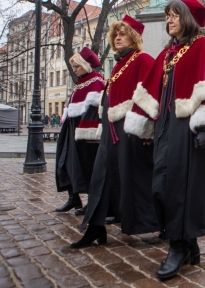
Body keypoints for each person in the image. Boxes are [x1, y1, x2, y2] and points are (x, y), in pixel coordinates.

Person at [124, 0, 205, 280]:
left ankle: (177, 246)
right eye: (167, 15)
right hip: (165, 129)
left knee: (184, 189)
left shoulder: (204, 46)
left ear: (186, 18)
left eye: (173, 15)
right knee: (161, 185)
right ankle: (189, 245)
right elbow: (150, 91)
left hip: (192, 131)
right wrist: (146, 125)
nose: (168, 20)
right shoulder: (167, 53)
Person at [72, 15, 158, 248]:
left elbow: (152, 97)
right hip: (111, 131)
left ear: (134, 37)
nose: (118, 38)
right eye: (116, 34)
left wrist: (146, 132)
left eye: (123, 34)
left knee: (135, 179)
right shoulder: (119, 63)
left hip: (131, 131)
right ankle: (95, 226)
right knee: (101, 177)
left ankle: (152, 223)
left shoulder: (143, 60)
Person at [55, 48, 105, 214]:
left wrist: (87, 132)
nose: (74, 69)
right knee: (66, 162)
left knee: (87, 165)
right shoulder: (80, 82)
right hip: (70, 128)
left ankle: (92, 201)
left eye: (77, 66)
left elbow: (95, 110)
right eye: (74, 66)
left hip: (84, 131)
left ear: (85, 65)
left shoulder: (96, 82)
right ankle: (73, 197)